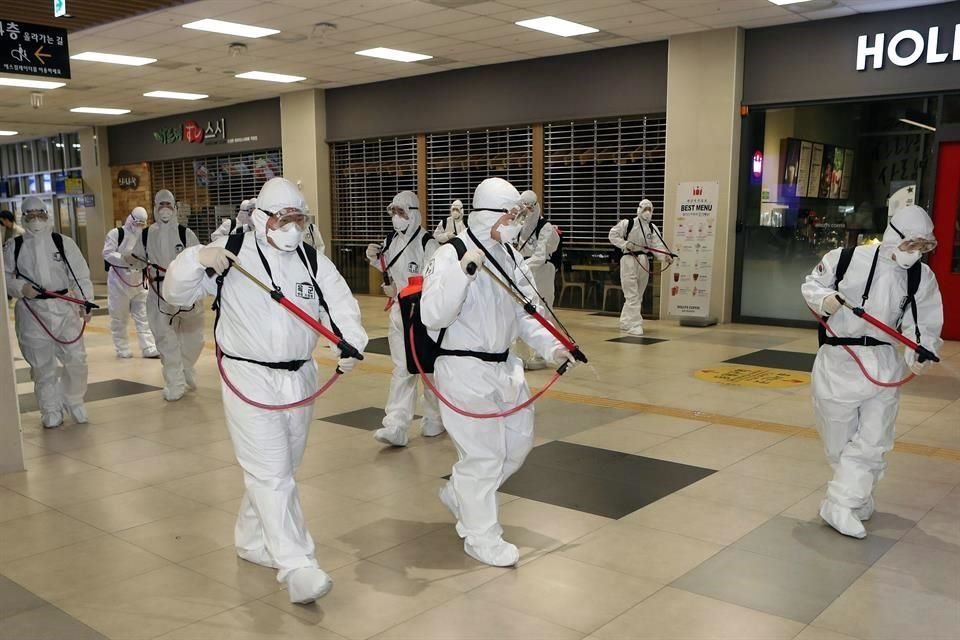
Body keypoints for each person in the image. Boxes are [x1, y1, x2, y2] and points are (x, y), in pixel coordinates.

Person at [163, 177, 367, 604]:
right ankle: (296, 565)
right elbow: (175, 292)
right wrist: (198, 257)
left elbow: (340, 305)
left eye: (299, 219)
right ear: (261, 219)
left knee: (280, 469)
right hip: (247, 376)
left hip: (299, 377)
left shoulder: (312, 259)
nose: (292, 227)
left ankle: (252, 540)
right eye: (283, 218)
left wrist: (350, 342)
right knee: (271, 472)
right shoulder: (231, 255)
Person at [421, 177, 578, 566]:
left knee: (517, 446)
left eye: (521, 215)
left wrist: (555, 345)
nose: (518, 222)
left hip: (505, 367)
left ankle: (461, 494)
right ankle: (481, 537)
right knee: (484, 457)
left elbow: (529, 314)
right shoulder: (449, 254)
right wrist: (463, 272)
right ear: (488, 214)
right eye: (512, 214)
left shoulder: (510, 256)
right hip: (462, 366)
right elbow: (432, 314)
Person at [801, 204, 943, 539]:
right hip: (839, 362)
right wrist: (826, 300)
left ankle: (840, 502)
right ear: (893, 237)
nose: (916, 254)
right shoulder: (846, 259)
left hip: (883, 363)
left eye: (924, 248)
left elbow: (922, 324)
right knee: (839, 443)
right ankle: (856, 495)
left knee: (875, 440)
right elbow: (811, 285)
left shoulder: (921, 277)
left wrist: (920, 351)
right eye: (911, 245)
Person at [3, 197, 93, 428]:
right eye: (29, 214)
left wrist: (86, 302)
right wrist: (20, 288)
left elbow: (80, 275)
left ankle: (73, 400)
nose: (35, 218)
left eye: (39, 213)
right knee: (42, 366)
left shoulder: (63, 243)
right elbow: (5, 276)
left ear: (47, 213)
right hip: (32, 312)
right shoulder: (14, 247)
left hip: (64, 309)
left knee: (76, 359)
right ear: (23, 216)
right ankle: (50, 408)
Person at [365, 191, 444, 447]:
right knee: (401, 369)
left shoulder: (428, 244)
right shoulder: (391, 240)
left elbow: (435, 281)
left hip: (424, 316)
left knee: (427, 369)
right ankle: (396, 424)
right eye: (393, 213)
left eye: (401, 213)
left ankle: (435, 417)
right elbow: (389, 267)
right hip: (400, 314)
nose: (396, 218)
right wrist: (375, 258)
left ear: (413, 213)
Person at [123, 189, 204, 401]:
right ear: (155, 208)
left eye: (169, 205)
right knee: (166, 340)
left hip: (186, 295)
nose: (165, 209)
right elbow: (138, 258)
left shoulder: (186, 234)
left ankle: (185, 368)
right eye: (161, 205)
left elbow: (200, 259)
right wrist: (130, 260)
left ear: (175, 208)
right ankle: (175, 382)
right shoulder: (147, 234)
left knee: (194, 340)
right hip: (159, 295)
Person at [608, 199, 672, 336]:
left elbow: (657, 245)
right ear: (639, 209)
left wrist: (665, 256)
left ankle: (626, 321)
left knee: (638, 295)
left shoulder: (652, 228)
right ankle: (635, 325)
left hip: (643, 260)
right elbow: (612, 235)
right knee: (632, 294)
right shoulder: (627, 223)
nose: (647, 212)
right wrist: (624, 244)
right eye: (645, 209)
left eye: (650, 209)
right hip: (628, 259)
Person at [103, 207, 158, 359]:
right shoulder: (116, 234)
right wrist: (125, 260)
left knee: (143, 316)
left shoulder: (146, 237)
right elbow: (107, 253)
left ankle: (148, 346)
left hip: (139, 282)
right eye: (137, 222)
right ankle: (122, 347)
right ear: (130, 219)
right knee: (119, 318)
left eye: (142, 223)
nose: (139, 226)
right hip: (118, 283)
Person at [515, 190, 561, 370]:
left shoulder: (545, 226)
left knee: (544, 308)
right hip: (524, 270)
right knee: (523, 309)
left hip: (541, 271)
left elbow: (541, 255)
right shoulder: (520, 224)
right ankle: (522, 352)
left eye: (528, 207)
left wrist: (522, 266)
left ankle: (543, 353)